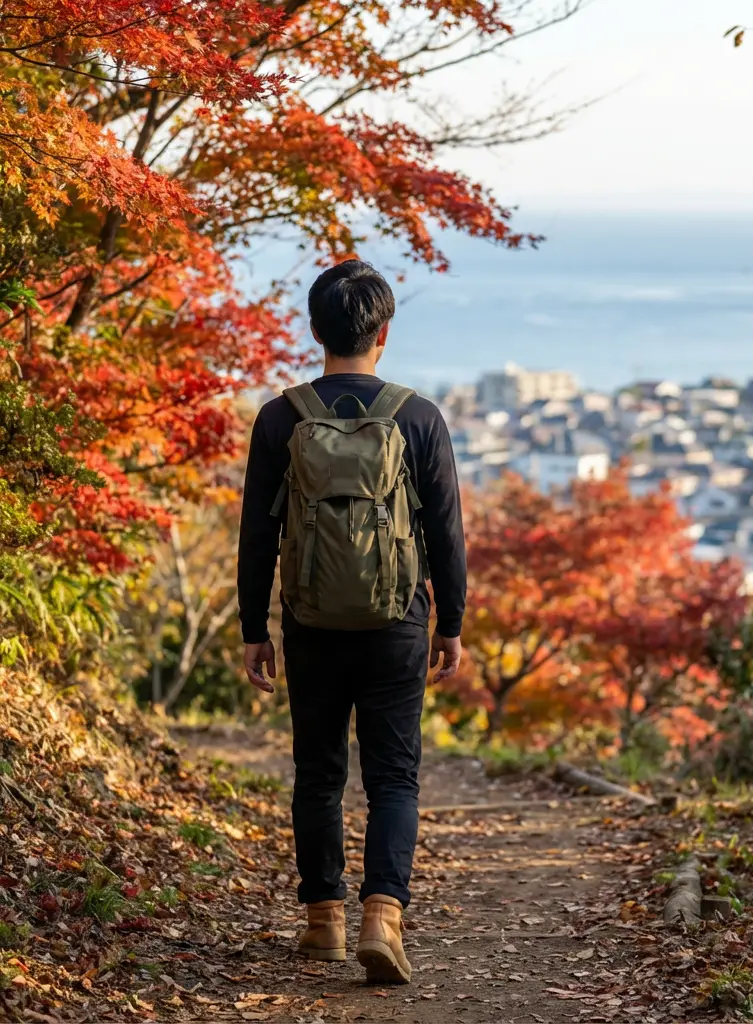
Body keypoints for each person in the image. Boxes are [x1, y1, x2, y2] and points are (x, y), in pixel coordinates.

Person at [236, 259, 466, 984]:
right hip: (398, 618)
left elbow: (255, 535)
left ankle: (323, 922)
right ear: (383, 332)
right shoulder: (418, 416)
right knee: (393, 775)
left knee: (320, 771)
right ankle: (382, 917)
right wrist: (450, 622)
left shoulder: (282, 417)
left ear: (315, 330)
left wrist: (254, 627)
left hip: (310, 620)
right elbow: (449, 535)